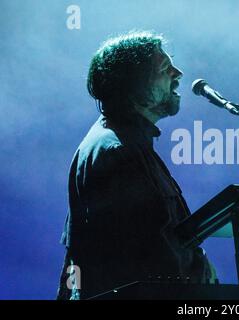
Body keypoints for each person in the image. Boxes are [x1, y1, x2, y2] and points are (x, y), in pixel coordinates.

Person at [56, 31, 216, 300]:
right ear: (134, 83)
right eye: (165, 68)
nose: (178, 73)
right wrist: (200, 277)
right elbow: (150, 251)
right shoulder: (118, 151)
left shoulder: (119, 144)